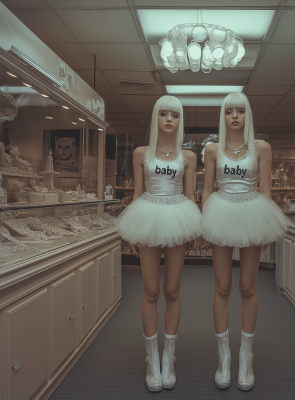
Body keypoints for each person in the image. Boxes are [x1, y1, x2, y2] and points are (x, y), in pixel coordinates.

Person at [201, 92, 290, 391]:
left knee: (248, 286)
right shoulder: (213, 149)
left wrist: (264, 226)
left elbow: (265, 189)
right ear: (223, 117)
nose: (235, 116)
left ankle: (246, 355)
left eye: (240, 111)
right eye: (229, 112)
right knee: (222, 286)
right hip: (221, 212)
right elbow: (206, 189)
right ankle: (223, 355)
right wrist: (204, 220)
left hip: (252, 211)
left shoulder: (262, 148)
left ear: (247, 115)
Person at [115, 95, 201, 392]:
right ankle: (152, 358)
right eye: (163, 114)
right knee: (150, 290)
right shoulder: (142, 153)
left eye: (174, 115)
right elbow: (138, 192)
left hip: (179, 216)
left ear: (179, 121)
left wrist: (194, 228)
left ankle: (170, 356)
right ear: (156, 118)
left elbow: (191, 195)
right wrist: (133, 232)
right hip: (148, 216)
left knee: (172, 290)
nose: (169, 119)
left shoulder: (187, 157)